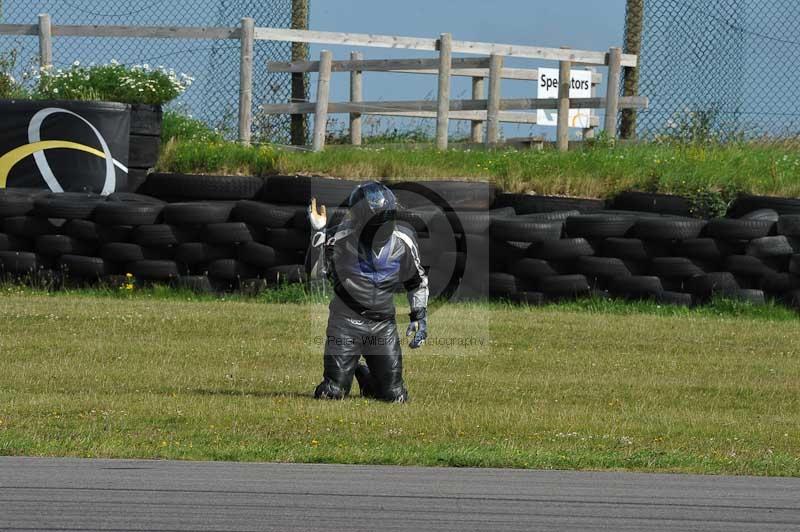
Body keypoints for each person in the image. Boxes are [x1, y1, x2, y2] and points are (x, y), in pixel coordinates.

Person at [306, 181, 428, 402]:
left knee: (395, 396)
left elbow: (416, 282)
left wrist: (419, 315)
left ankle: (364, 375)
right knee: (332, 392)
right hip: (346, 324)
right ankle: (348, 371)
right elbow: (315, 273)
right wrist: (318, 232)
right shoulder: (339, 238)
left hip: (383, 327)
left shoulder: (403, 243)